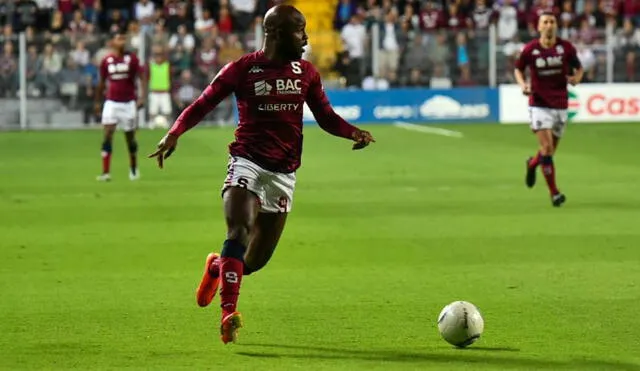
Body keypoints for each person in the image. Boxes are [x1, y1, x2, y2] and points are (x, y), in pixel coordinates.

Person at [148, 5, 375, 344]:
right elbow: (202, 103)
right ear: (277, 33)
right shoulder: (242, 69)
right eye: (300, 30)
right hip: (247, 162)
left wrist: (353, 132)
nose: (307, 37)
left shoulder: (306, 73)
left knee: (253, 261)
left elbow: (326, 117)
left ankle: (216, 268)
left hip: (283, 175)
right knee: (237, 231)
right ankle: (228, 314)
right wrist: (174, 133)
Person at [514, 11, 583, 207]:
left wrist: (577, 78)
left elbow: (579, 68)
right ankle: (554, 193)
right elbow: (518, 68)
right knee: (546, 148)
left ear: (556, 25)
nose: (549, 25)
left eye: (552, 21)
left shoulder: (566, 48)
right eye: (545, 22)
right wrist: (523, 85)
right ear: (539, 27)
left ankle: (532, 164)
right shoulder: (530, 50)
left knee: (549, 153)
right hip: (539, 103)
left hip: (560, 104)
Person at [95, 30, 146, 181]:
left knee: (129, 138)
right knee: (108, 134)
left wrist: (142, 97)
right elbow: (102, 82)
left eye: (124, 38)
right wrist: (98, 101)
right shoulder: (107, 61)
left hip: (128, 103)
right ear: (112, 42)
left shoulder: (132, 59)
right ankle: (105, 173)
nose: (122, 41)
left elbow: (142, 77)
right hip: (111, 102)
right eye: (119, 39)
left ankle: (133, 169)